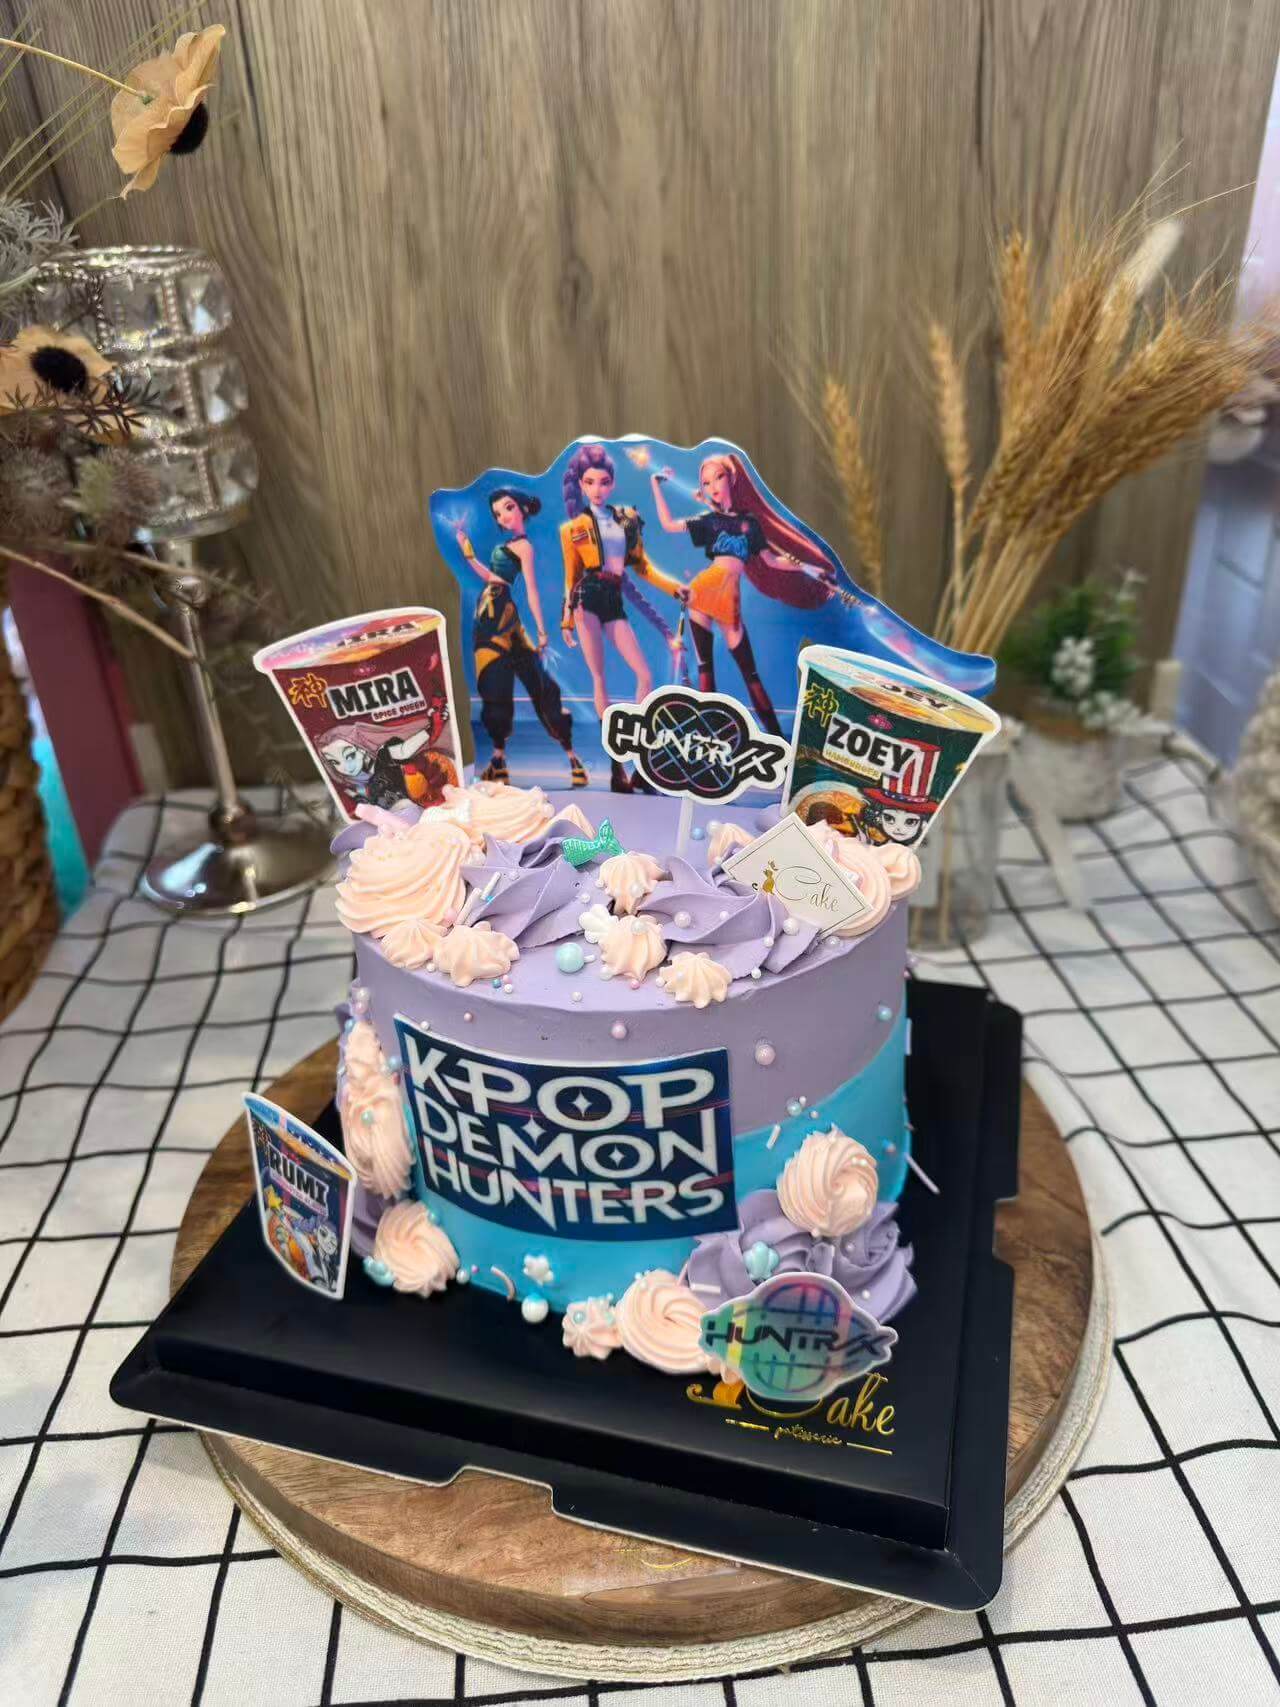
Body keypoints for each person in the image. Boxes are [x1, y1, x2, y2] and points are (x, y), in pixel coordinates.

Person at [649, 453, 838, 735]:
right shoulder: (708, 521)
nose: (713, 486)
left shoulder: (750, 523)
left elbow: (772, 561)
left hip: (729, 597)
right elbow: (667, 525)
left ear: (732, 478)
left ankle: (776, 738)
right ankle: (708, 736)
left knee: (750, 674)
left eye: (718, 477)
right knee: (705, 668)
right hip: (703, 591)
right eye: (706, 482)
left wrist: (812, 569)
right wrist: (655, 484)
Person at [560, 442, 688, 792]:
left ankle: (641, 761)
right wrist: (566, 620)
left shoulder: (627, 518)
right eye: (590, 482)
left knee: (644, 675)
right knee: (599, 677)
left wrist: (673, 587)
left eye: (603, 482)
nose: (597, 489)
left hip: (613, 598)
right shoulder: (572, 529)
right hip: (586, 599)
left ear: (612, 483)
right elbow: (571, 577)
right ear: (581, 485)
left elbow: (643, 567)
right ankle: (617, 766)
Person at [456, 487, 587, 787]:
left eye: (508, 508)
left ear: (522, 509)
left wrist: (541, 630)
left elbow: (531, 590)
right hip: (490, 613)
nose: (503, 516)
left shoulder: (524, 547)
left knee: (538, 684)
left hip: (500, 615)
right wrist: (467, 551)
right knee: (495, 686)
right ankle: (498, 761)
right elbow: (491, 578)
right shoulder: (510, 545)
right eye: (498, 513)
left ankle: (572, 758)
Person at [317, 718, 457, 811]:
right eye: (334, 762)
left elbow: (403, 751)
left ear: (361, 749)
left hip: (434, 804)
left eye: (350, 756)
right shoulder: (364, 788)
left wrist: (433, 728)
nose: (346, 767)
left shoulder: (384, 755)